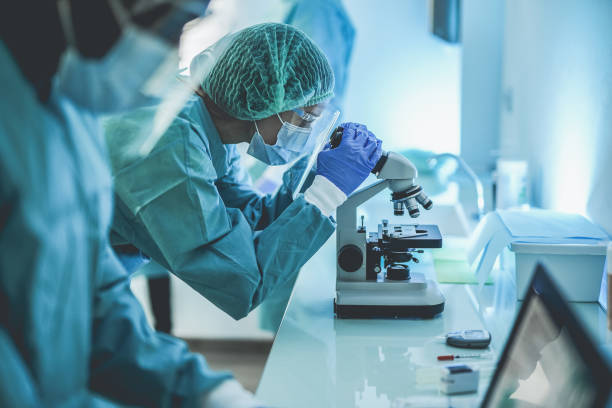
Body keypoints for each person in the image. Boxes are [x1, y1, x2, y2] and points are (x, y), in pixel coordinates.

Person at [0, 0, 259, 405]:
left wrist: (203, 392)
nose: (171, 50)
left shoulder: (69, 104)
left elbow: (95, 291)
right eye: (171, 25)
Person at [105, 22, 383, 321]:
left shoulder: (210, 128)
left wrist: (314, 175)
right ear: (268, 98)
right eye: (305, 119)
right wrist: (327, 193)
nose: (306, 133)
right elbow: (235, 282)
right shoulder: (173, 143)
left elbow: (248, 217)